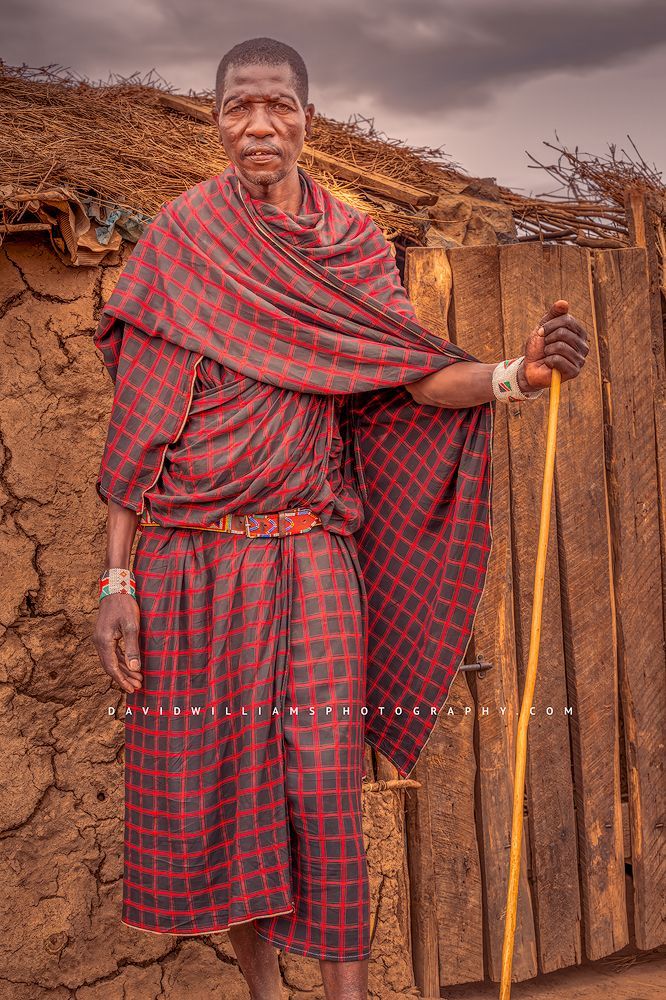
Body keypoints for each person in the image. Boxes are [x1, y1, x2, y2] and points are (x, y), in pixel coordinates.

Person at [92, 37, 589, 1000]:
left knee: (323, 782)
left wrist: (512, 376)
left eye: (278, 106)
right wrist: (117, 580)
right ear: (217, 119)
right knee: (230, 790)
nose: (259, 125)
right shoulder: (183, 243)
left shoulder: (354, 246)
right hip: (192, 560)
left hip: (314, 556)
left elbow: (407, 377)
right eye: (240, 107)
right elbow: (139, 427)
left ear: (309, 117)